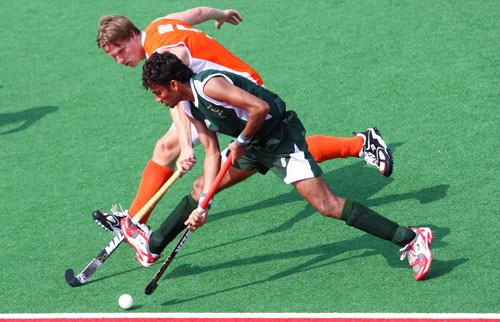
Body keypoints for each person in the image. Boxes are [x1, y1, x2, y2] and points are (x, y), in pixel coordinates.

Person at [120, 52, 433, 281]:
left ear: (173, 84)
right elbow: (212, 152)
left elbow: (260, 108)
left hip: (279, 139)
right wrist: (203, 205)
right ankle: (153, 245)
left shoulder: (208, 86)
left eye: (159, 93)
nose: (159, 100)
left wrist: (242, 140)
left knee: (327, 205)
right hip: (253, 145)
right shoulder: (186, 105)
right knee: (201, 186)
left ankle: (409, 238)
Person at [93, 7, 393, 237]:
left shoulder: (162, 54)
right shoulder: (159, 25)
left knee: (175, 147)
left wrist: (186, 147)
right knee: (279, 152)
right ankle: (361, 143)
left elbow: (178, 102)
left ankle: (133, 222)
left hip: (230, 93)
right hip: (210, 93)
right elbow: (196, 13)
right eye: (113, 56)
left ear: (133, 35)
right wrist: (220, 14)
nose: (120, 59)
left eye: (121, 50)